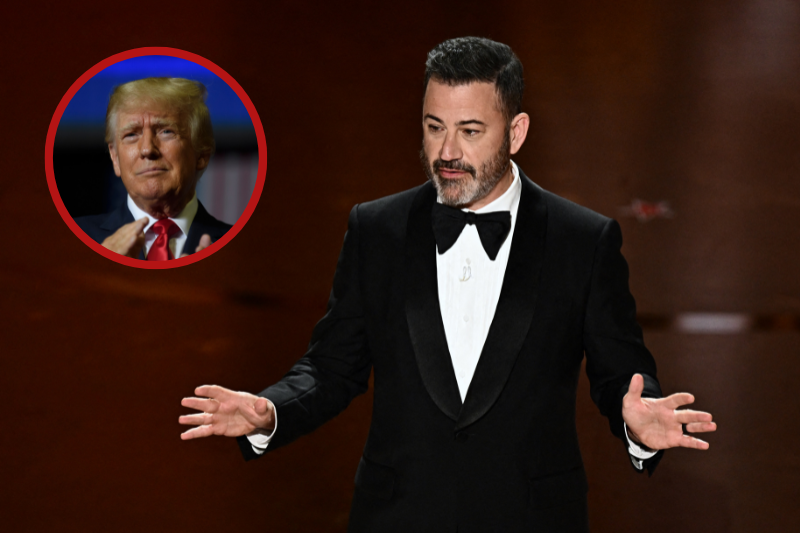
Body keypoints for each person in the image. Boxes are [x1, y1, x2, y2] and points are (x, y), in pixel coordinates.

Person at [179, 37, 716, 532]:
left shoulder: (583, 241)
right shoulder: (377, 230)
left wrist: (638, 424)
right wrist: (270, 411)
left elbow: (620, 372)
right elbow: (332, 367)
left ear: (517, 131)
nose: (447, 152)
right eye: (435, 126)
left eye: (470, 130)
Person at [75, 77, 231, 261]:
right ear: (115, 158)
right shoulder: (76, 241)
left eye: (166, 131)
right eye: (131, 134)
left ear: (201, 154)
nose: (147, 149)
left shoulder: (235, 248)